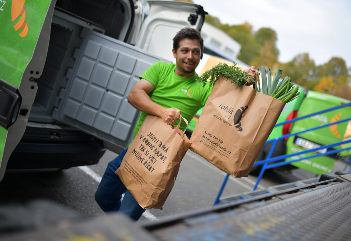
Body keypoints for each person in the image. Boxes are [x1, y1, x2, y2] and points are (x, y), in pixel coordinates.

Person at [95, 28, 257, 221]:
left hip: (160, 161)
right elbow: (134, 95)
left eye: (196, 52)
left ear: (200, 55)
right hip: (135, 150)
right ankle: (119, 230)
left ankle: (117, 231)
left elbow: (228, 105)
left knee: (126, 217)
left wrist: (246, 82)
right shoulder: (160, 70)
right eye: (185, 50)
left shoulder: (203, 86)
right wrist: (163, 112)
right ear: (174, 52)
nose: (190, 56)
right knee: (103, 196)